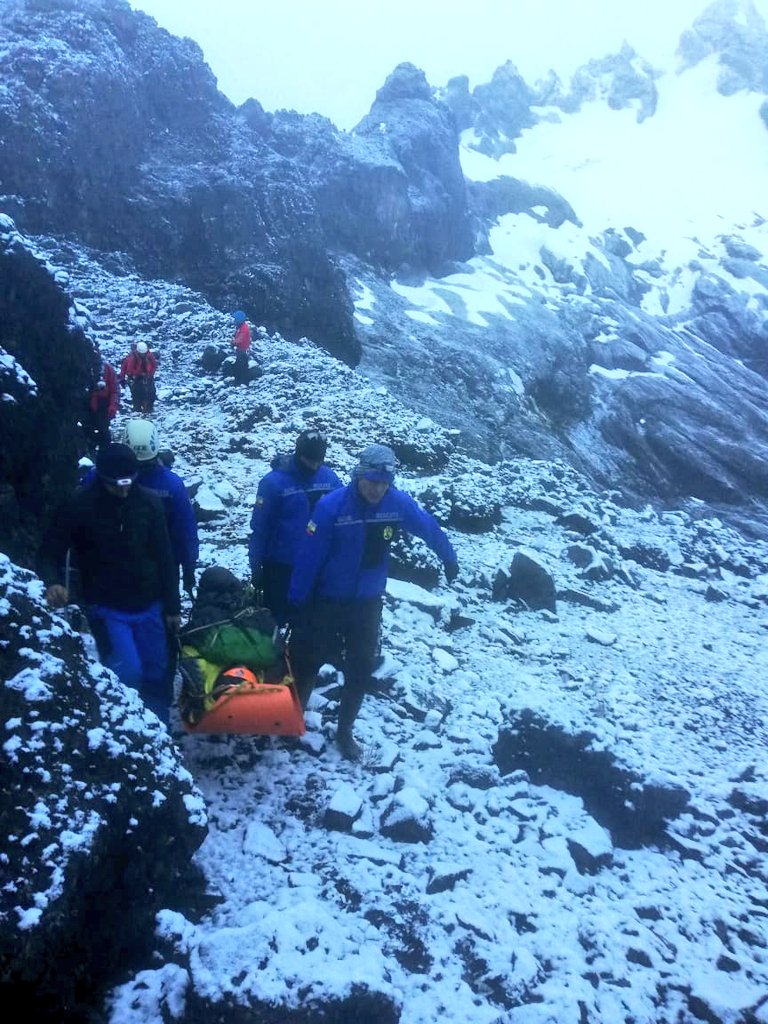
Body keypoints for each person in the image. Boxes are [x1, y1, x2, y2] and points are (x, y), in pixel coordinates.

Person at [287, 443, 459, 760]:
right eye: (372, 481)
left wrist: (449, 558)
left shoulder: (396, 504)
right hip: (326, 600)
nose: (378, 489)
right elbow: (307, 558)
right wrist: (296, 601)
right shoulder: (331, 507)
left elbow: (427, 527)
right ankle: (292, 721)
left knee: (361, 667)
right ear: (359, 475)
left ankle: (344, 732)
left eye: (384, 483)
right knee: (307, 659)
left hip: (367, 604)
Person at [39, 443, 181, 725]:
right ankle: (127, 727)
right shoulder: (79, 505)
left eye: (129, 484)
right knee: (127, 671)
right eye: (116, 485)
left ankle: (158, 730)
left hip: (151, 602)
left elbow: (166, 557)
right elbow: (49, 551)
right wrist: (54, 582)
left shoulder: (150, 504)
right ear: (102, 479)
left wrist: (172, 606)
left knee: (157, 669)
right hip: (106, 606)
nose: (123, 491)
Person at [248, 430, 343, 626]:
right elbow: (260, 526)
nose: (314, 465)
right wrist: (256, 564)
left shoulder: (330, 479)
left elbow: (341, 517)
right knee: (276, 622)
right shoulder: (272, 483)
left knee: (310, 624)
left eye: (319, 461)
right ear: (299, 454)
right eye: (309, 460)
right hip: (280, 566)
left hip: (317, 564)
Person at [85, 354, 119, 450]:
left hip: (102, 404)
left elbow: (114, 389)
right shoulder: (81, 364)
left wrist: (113, 405)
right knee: (87, 430)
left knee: (103, 431)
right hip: (85, 403)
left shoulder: (106, 368)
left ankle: (104, 453)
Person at [119, 340, 158, 413]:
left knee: (151, 392)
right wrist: (140, 374)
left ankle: (149, 408)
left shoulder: (149, 355)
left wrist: (150, 374)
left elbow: (154, 365)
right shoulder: (132, 358)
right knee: (137, 394)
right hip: (136, 378)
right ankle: (138, 409)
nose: (143, 355)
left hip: (148, 377)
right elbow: (129, 370)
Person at [231, 310, 251, 385]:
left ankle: (243, 382)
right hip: (240, 350)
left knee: (241, 366)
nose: (234, 321)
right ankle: (240, 381)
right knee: (240, 366)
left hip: (243, 351)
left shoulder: (244, 328)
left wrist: (233, 342)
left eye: (236, 319)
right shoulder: (240, 327)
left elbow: (240, 339)